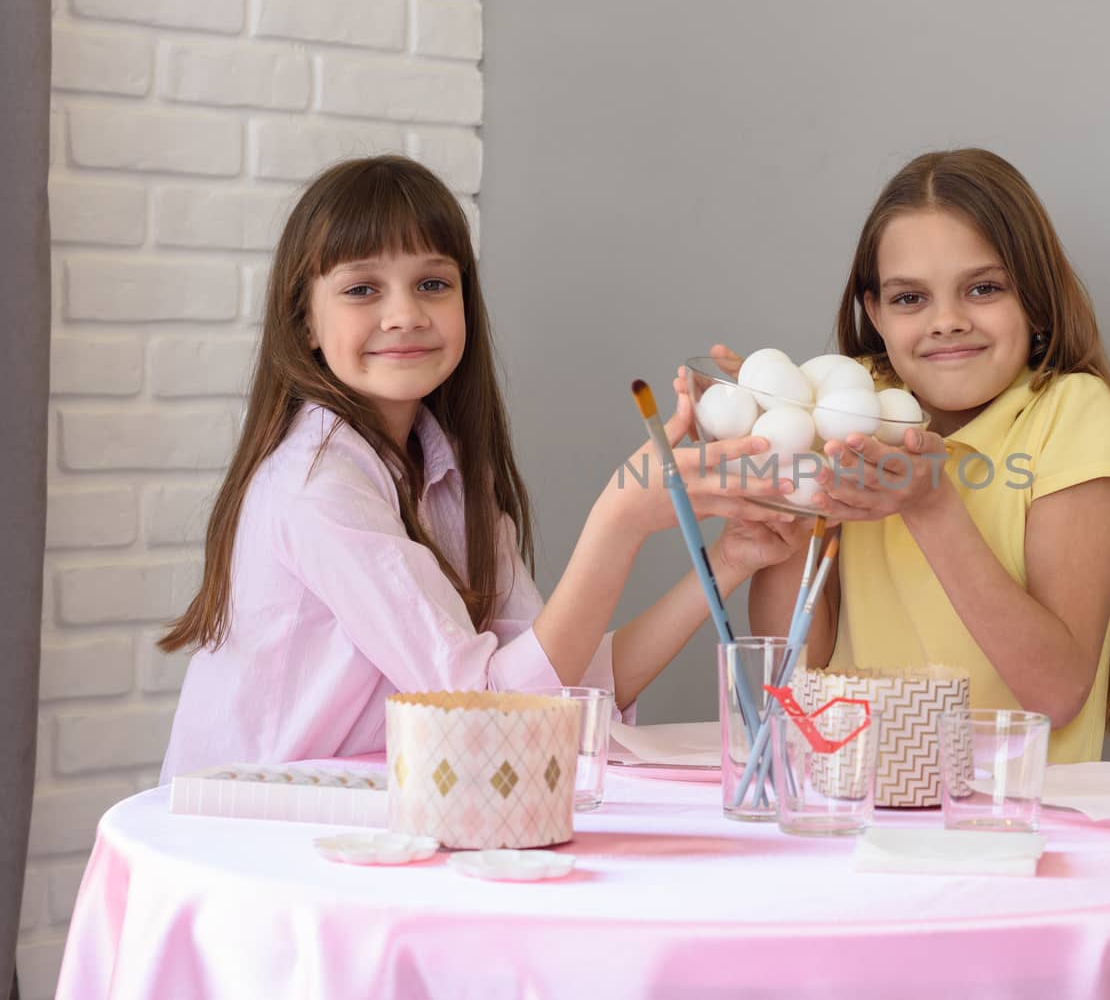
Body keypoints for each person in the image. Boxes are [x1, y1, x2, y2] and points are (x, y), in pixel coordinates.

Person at [158, 155, 807, 781]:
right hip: (263, 844)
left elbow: (561, 686)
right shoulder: (321, 488)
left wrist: (727, 560)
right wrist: (619, 521)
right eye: (362, 289)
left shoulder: (446, 475)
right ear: (305, 319)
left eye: (433, 284)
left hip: (372, 823)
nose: (405, 313)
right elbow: (490, 711)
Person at [737, 148, 1110, 762]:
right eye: (911, 299)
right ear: (874, 312)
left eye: (983, 289)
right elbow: (796, 666)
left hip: (1017, 817)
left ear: (1036, 299)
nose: (947, 322)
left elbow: (1056, 692)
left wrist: (933, 508)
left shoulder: (1070, 414)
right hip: (859, 801)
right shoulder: (853, 409)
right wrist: (783, 459)